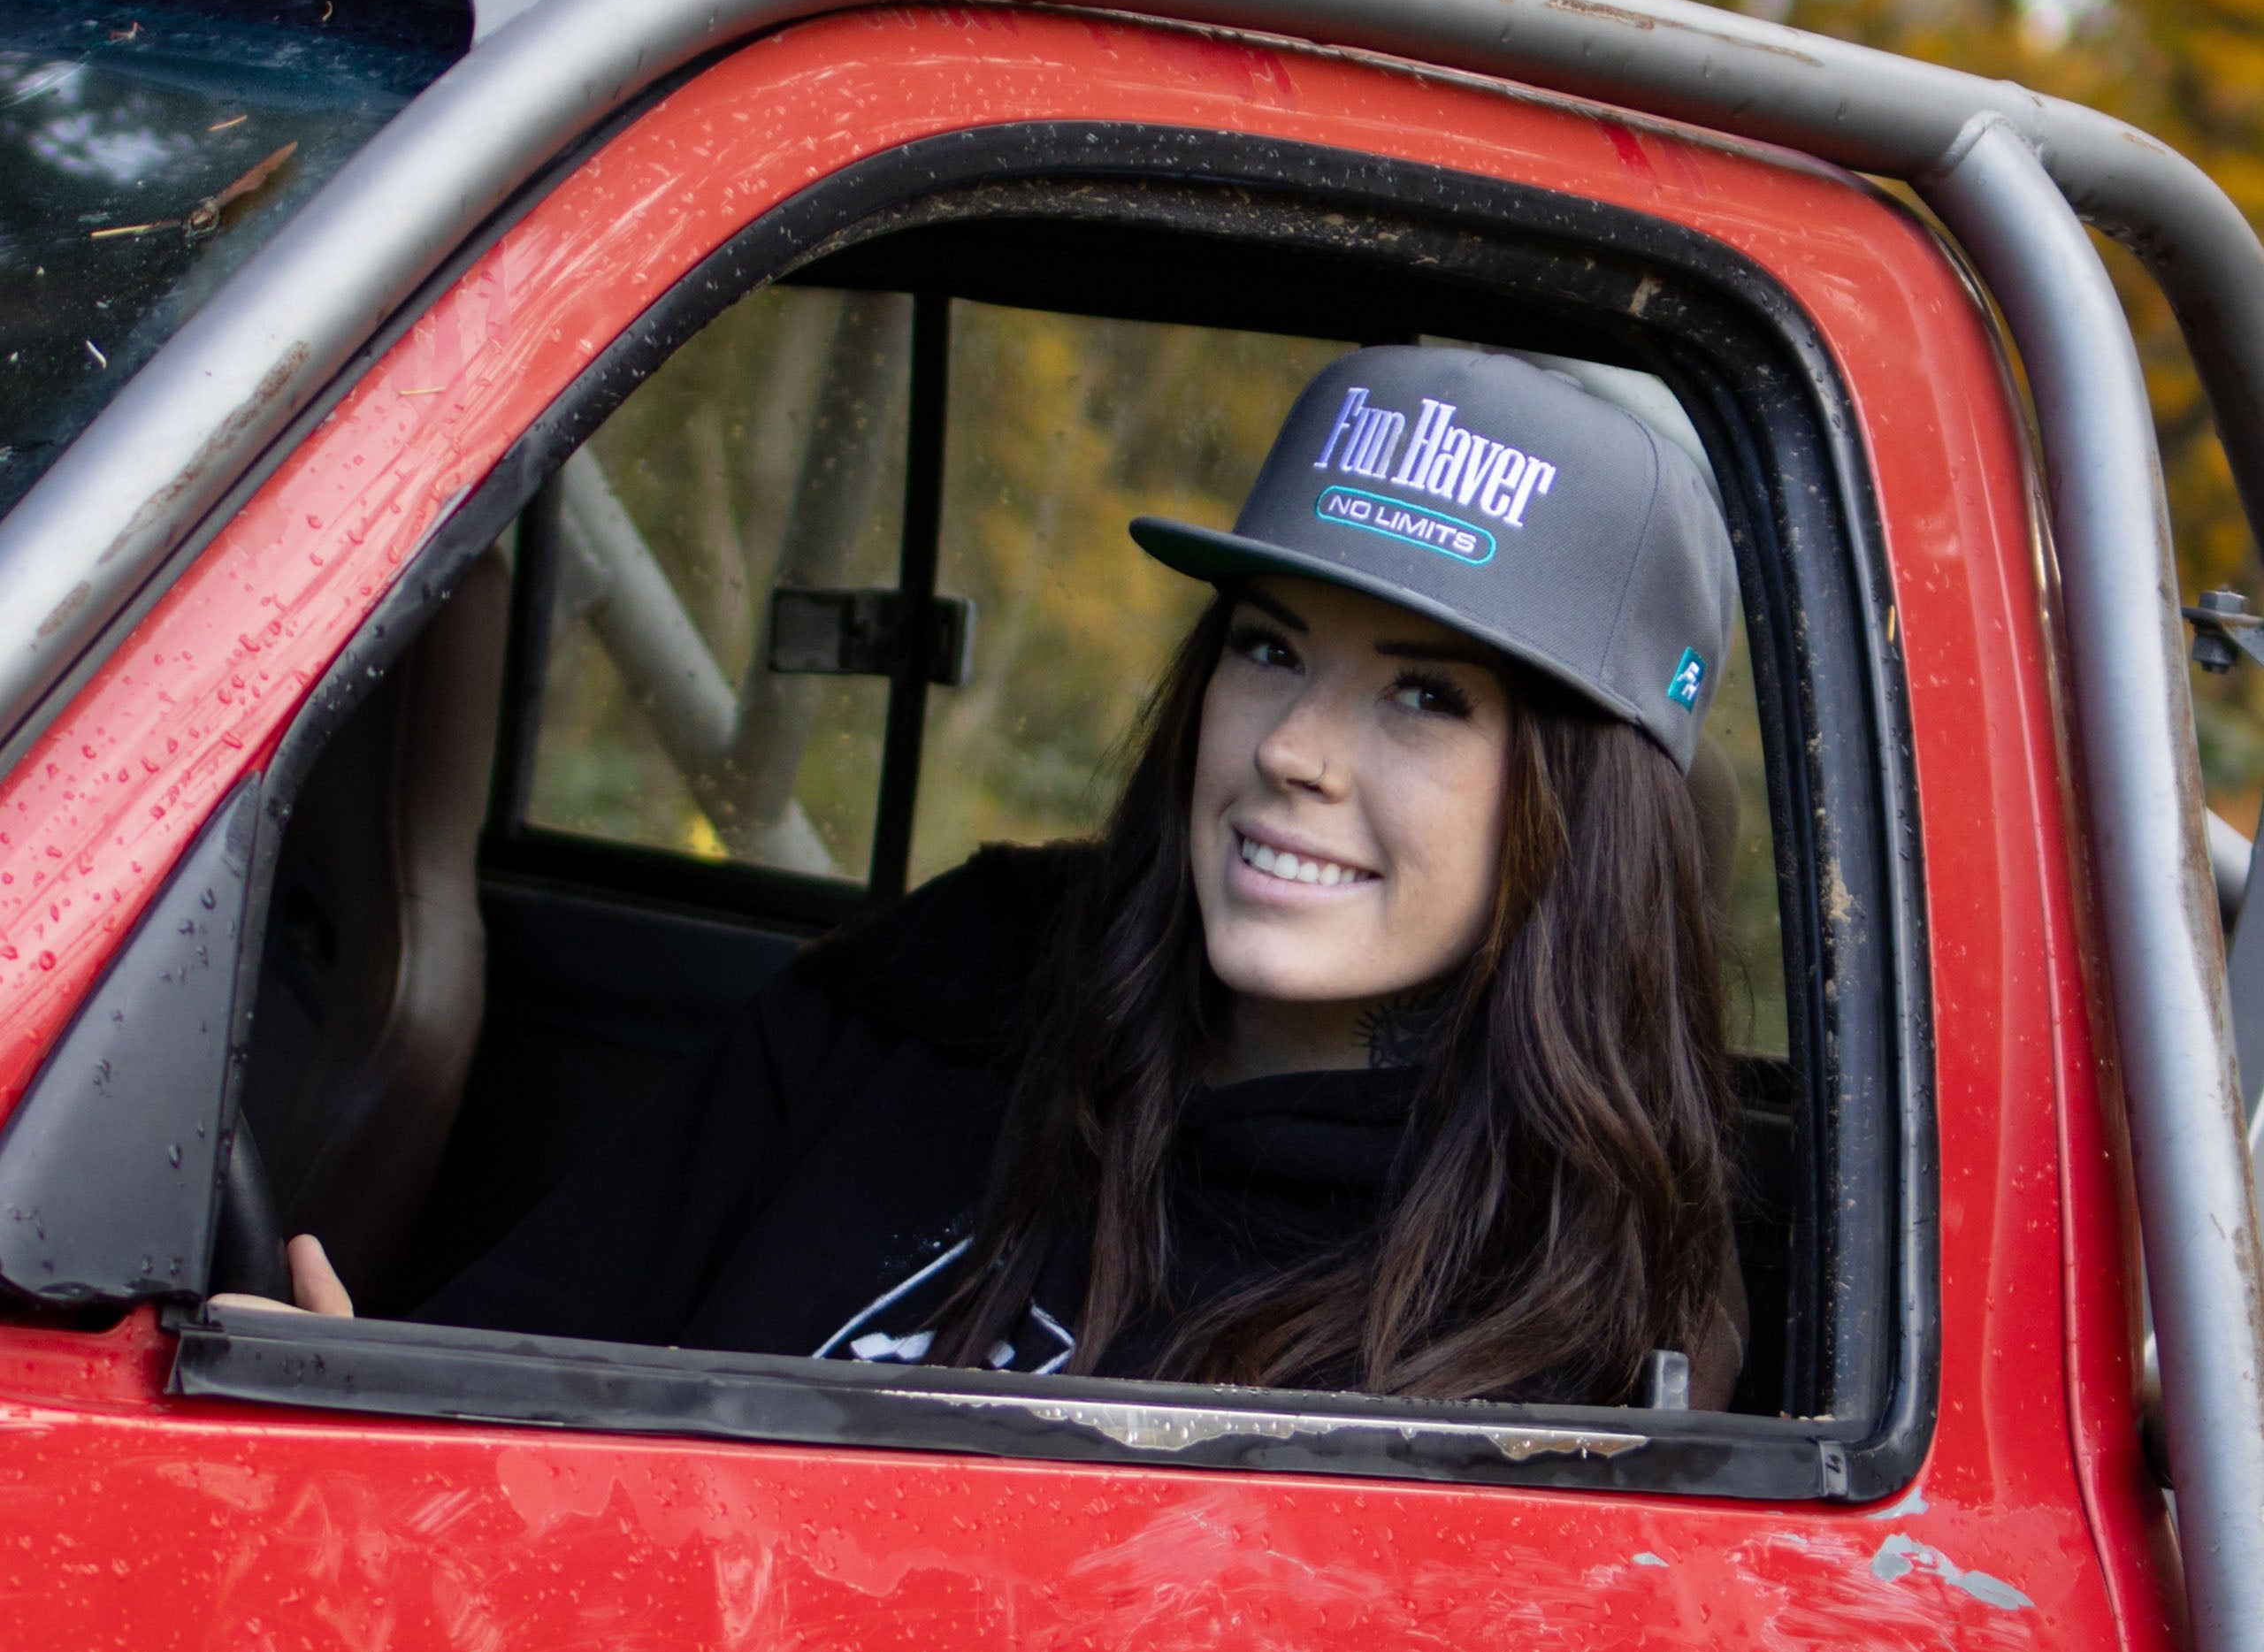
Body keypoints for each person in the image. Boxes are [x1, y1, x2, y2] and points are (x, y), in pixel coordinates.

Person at [233, 343, 1749, 1408]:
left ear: (1581, 810)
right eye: (1267, 647)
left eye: (1425, 696)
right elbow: (531, 1351)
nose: (1291, 748)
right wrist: (363, 1416)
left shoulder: (1550, 1333)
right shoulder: (955, 990)